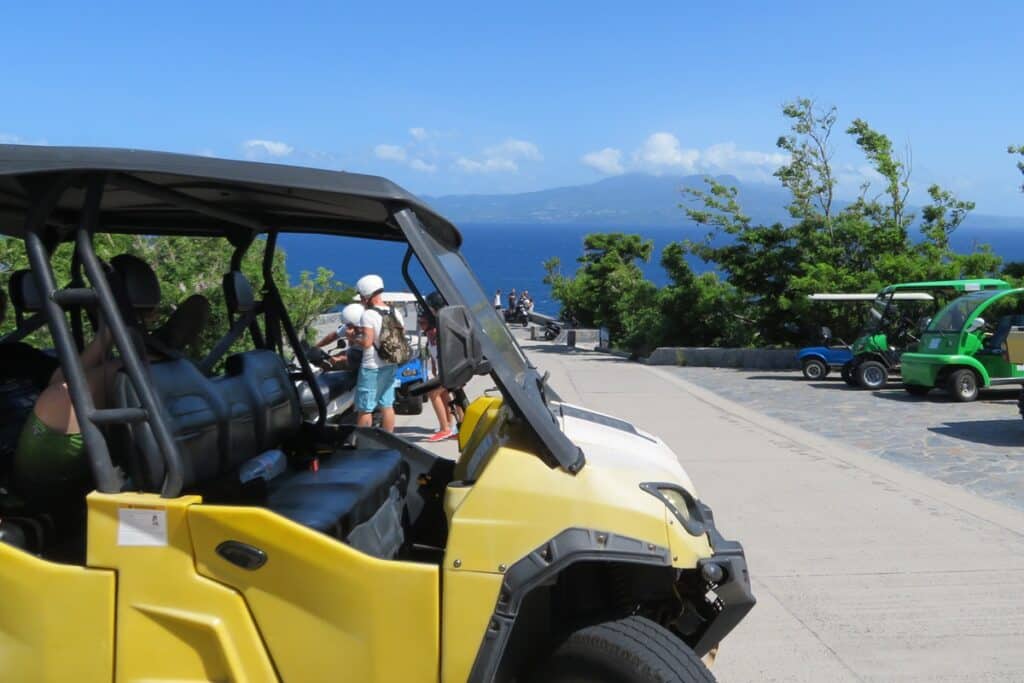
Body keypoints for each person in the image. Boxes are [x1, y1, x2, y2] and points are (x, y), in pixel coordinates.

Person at [354, 274, 403, 433]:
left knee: (365, 408)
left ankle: (363, 445)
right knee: (387, 405)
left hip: (372, 367)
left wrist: (354, 338)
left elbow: (367, 342)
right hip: (391, 363)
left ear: (366, 295)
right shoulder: (395, 312)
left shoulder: (368, 314)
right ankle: (389, 440)